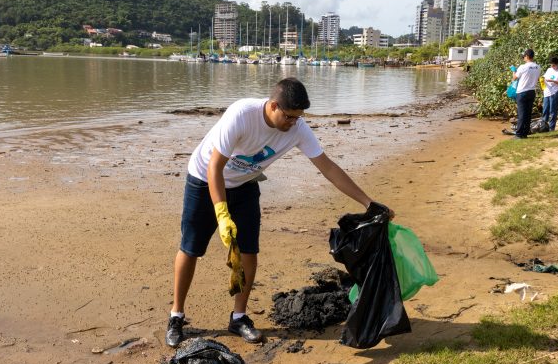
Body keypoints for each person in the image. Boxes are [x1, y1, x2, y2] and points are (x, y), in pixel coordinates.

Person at [165, 77, 391, 348]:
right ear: (273, 106)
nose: (292, 123)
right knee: (191, 249)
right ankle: (176, 316)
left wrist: (368, 203)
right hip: (203, 180)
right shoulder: (242, 115)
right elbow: (215, 167)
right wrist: (221, 213)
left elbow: (327, 167)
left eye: (298, 118)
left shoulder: (297, 128)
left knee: (249, 251)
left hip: (246, 185)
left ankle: (239, 317)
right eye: (288, 117)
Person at [510, 49, 541, 139]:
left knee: (521, 114)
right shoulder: (538, 67)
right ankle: (525, 133)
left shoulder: (523, 67)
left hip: (522, 92)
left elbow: (514, 78)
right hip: (532, 92)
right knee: (528, 113)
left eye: (524, 56)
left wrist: (513, 70)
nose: (523, 58)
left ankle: (519, 134)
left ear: (527, 56)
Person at [541, 56, 558, 131]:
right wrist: (542, 79)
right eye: (551, 64)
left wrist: (553, 81)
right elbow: (544, 77)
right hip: (546, 92)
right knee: (545, 110)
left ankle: (551, 128)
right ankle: (543, 127)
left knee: (552, 111)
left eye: (554, 65)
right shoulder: (549, 70)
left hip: (555, 93)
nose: (552, 66)